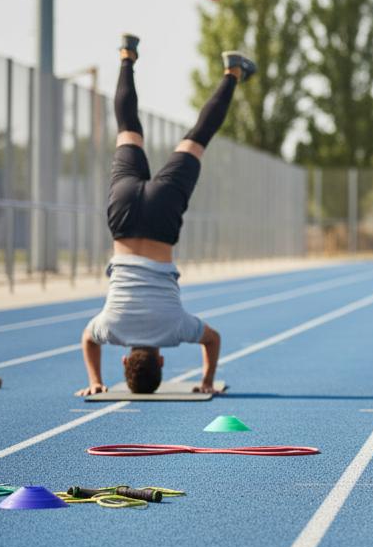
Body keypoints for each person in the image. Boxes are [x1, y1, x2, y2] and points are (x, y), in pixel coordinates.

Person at [75, 34, 256, 396]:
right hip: (124, 219)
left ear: (160, 361)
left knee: (197, 138)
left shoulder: (175, 329)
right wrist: (95, 381)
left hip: (161, 219)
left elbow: (213, 340)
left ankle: (232, 72)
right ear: (124, 360)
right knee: (128, 130)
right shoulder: (110, 328)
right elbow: (87, 340)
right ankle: (126, 55)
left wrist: (207, 382)